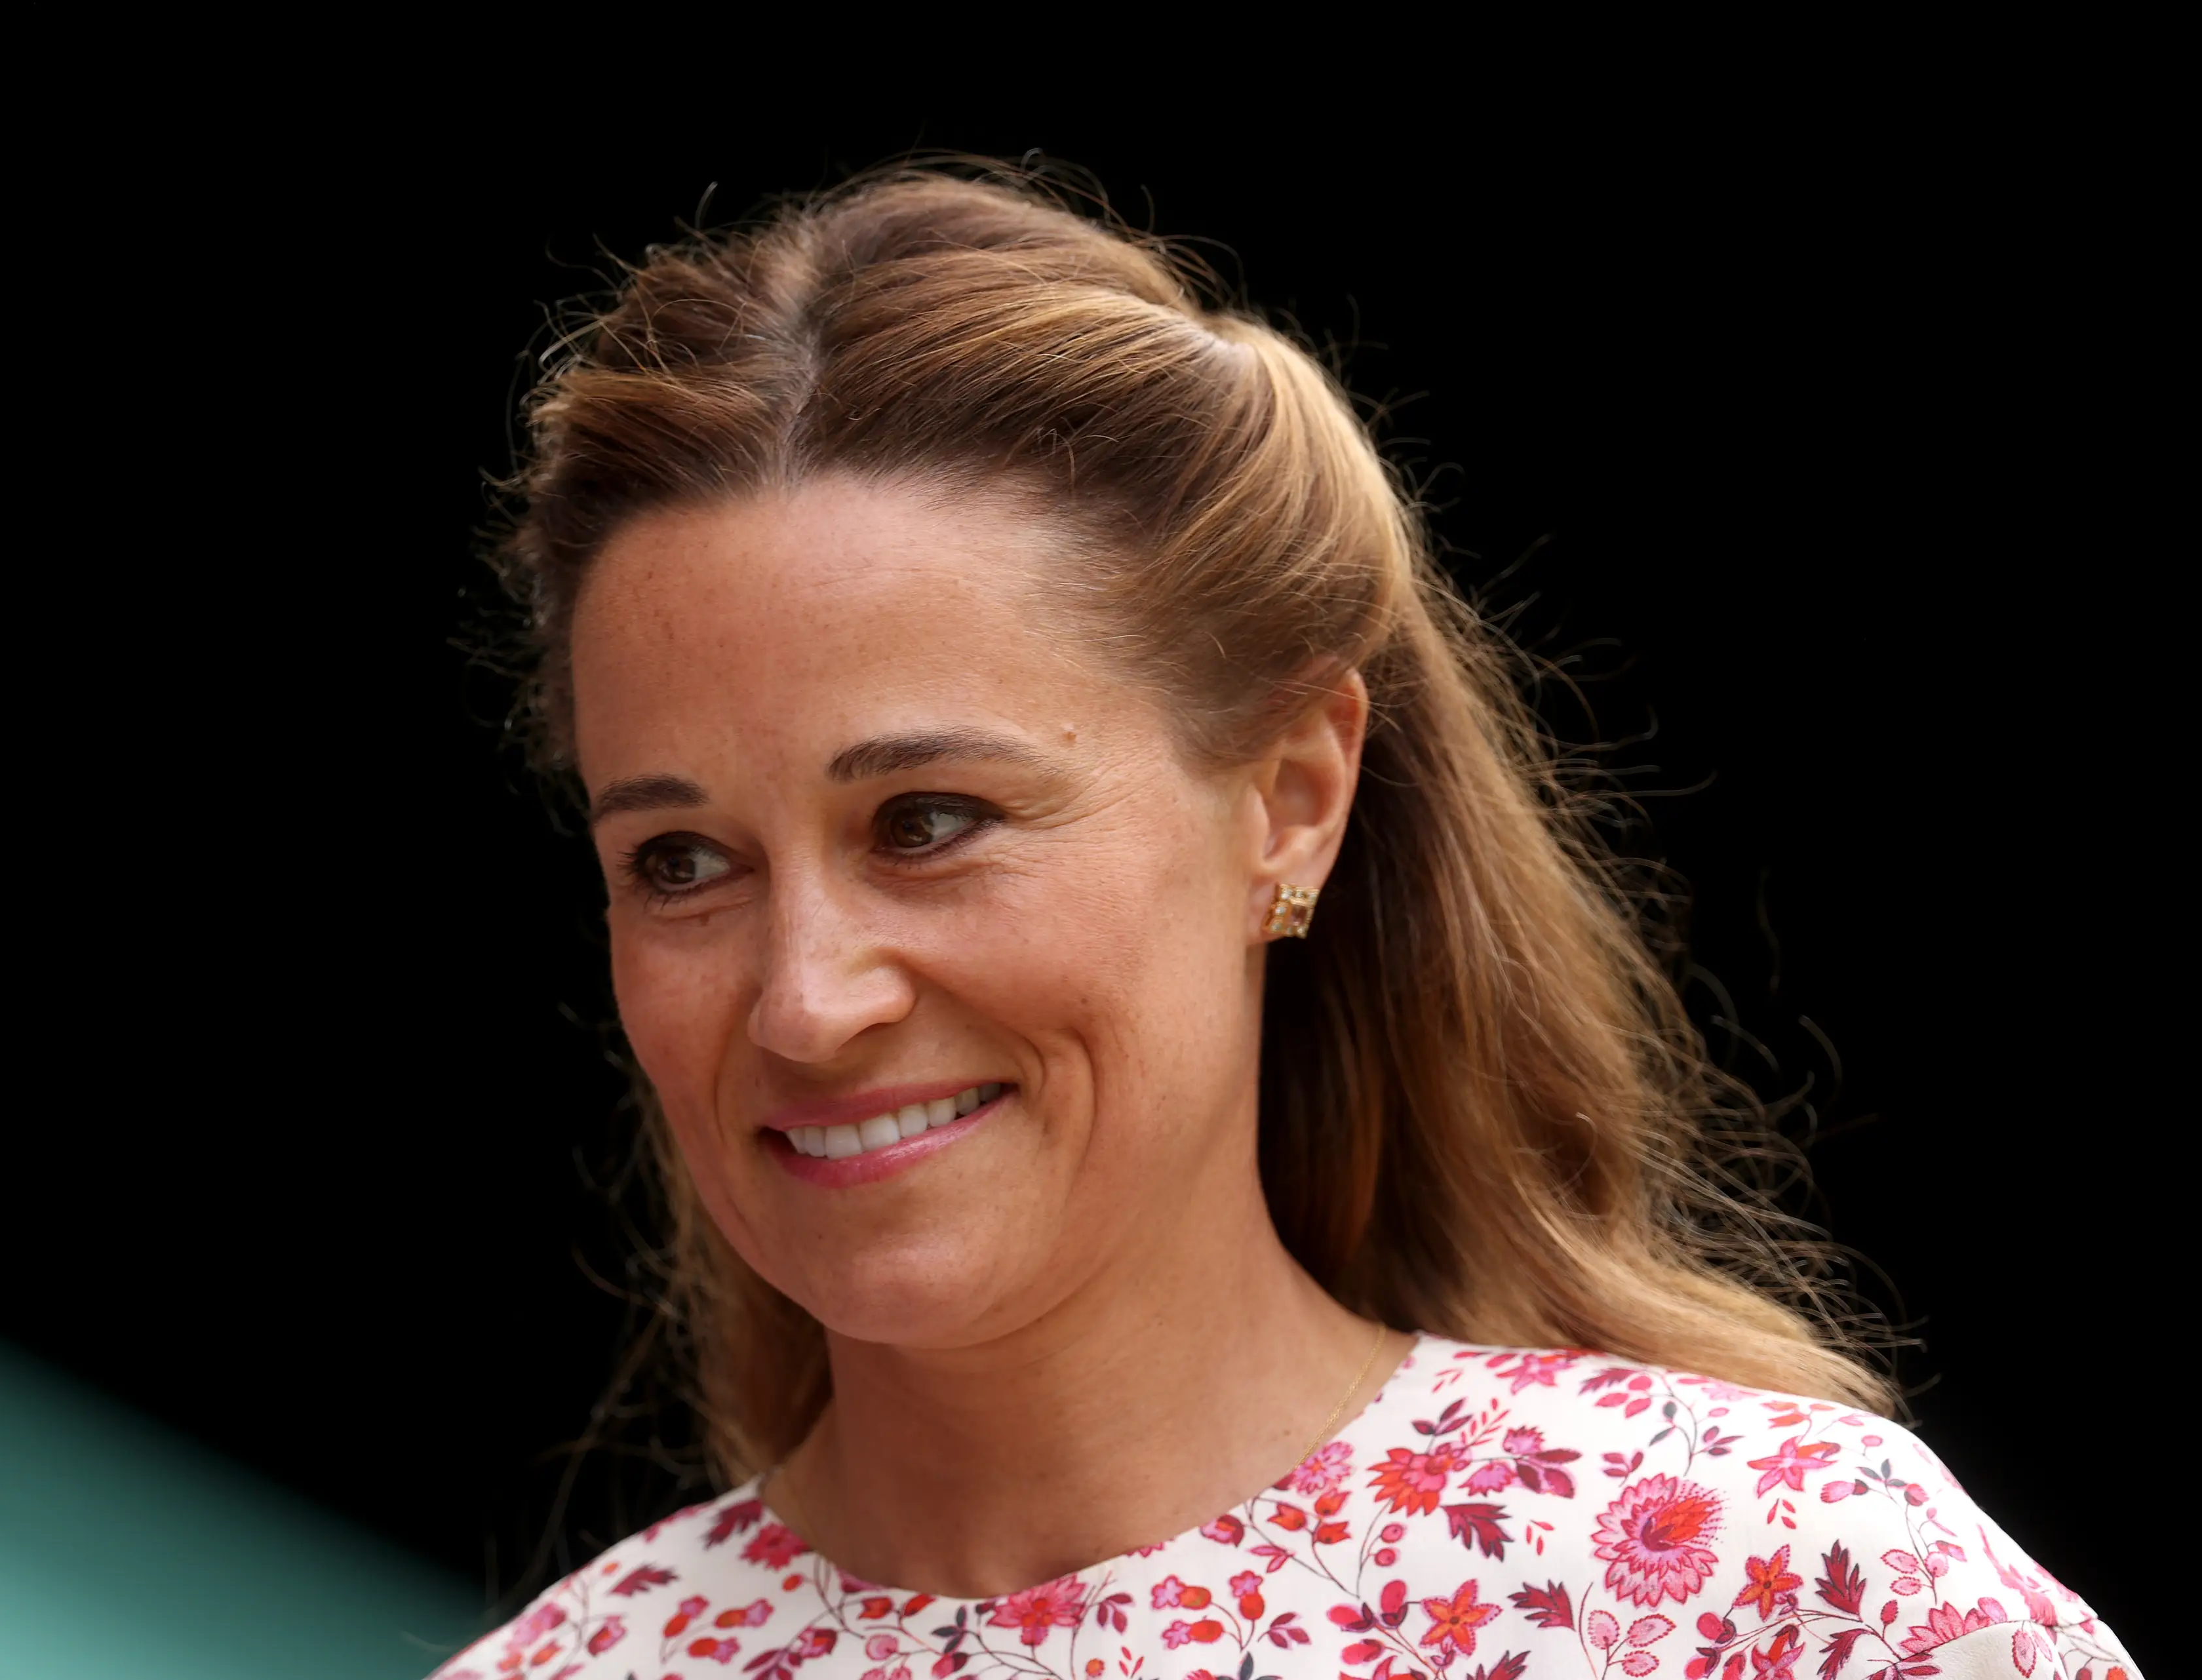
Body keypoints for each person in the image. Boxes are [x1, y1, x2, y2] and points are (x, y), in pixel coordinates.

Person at [434, 170, 2136, 1680]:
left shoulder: (1782, 1604)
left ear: (1293, 796)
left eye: (928, 821)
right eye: (681, 861)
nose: (807, 1000)